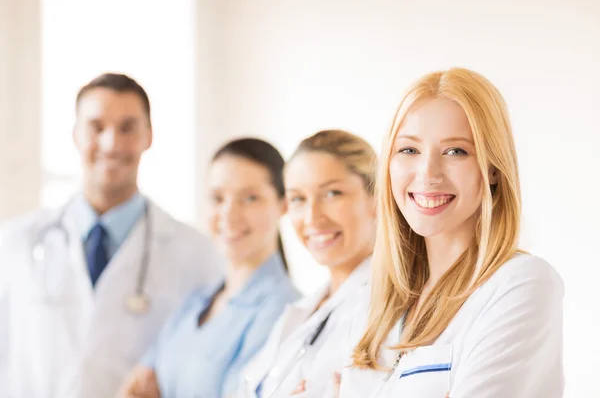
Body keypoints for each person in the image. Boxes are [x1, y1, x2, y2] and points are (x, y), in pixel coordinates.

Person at [337, 68, 564, 397]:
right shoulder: (373, 301)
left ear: (493, 169)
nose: (428, 174)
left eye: (456, 151)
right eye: (409, 150)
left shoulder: (521, 284)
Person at [0, 73, 223, 398]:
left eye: (128, 127)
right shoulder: (15, 242)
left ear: (149, 136)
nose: (111, 143)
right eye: (96, 127)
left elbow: (205, 372)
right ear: (76, 135)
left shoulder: (196, 254)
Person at [118, 138, 301, 398]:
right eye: (217, 198)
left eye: (250, 198)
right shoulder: (195, 302)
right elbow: (136, 386)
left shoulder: (285, 311)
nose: (229, 213)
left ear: (283, 204)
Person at [239, 130, 378, 398]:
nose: (312, 218)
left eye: (332, 193)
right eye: (298, 199)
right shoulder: (303, 310)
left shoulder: (386, 308)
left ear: (375, 195)